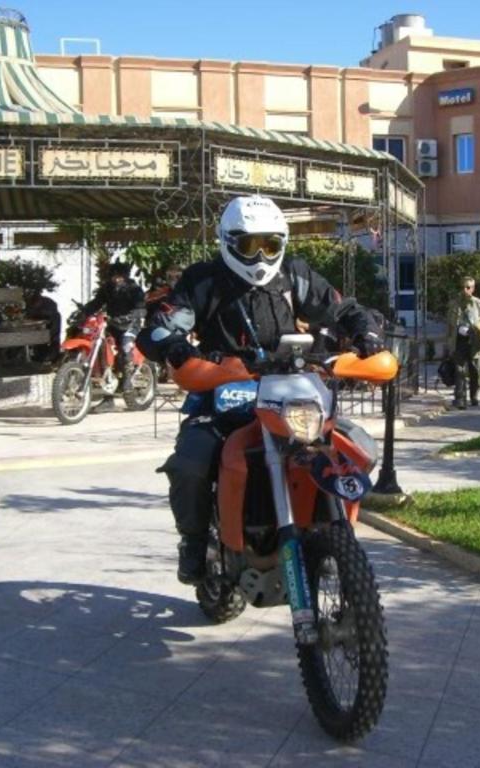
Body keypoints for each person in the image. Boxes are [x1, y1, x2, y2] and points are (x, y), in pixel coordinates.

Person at [141, 195, 384, 584]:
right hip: (223, 390)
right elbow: (162, 324)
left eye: (269, 245)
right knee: (191, 461)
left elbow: (339, 308)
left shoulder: (293, 273)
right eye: (249, 246)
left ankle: (327, 531)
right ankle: (194, 541)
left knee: (355, 443)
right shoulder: (203, 280)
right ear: (227, 241)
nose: (260, 257)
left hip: (289, 390)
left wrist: (365, 331)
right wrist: (174, 346)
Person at [82, 261, 145, 408]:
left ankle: (128, 382)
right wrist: (84, 312)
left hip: (129, 325)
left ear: (125, 276)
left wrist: (132, 316)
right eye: (114, 276)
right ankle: (108, 398)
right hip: (112, 324)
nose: (116, 279)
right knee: (103, 350)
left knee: (125, 346)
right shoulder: (107, 289)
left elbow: (140, 307)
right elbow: (97, 302)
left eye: (120, 276)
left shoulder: (134, 289)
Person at [446, 276, 480, 409]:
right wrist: (455, 333)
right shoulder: (454, 304)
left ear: (473, 289)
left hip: (475, 341)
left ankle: (474, 396)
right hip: (459, 341)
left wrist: (476, 328)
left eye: (468, 287)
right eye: (463, 287)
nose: (465, 290)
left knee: (475, 371)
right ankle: (460, 398)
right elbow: (449, 325)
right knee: (459, 369)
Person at [23, 288, 61, 363]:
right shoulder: (30, 303)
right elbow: (28, 313)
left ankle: (54, 357)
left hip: (53, 320)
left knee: (54, 338)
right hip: (38, 323)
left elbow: (53, 312)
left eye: (36, 303)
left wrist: (41, 315)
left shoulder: (49, 302)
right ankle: (40, 356)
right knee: (39, 339)